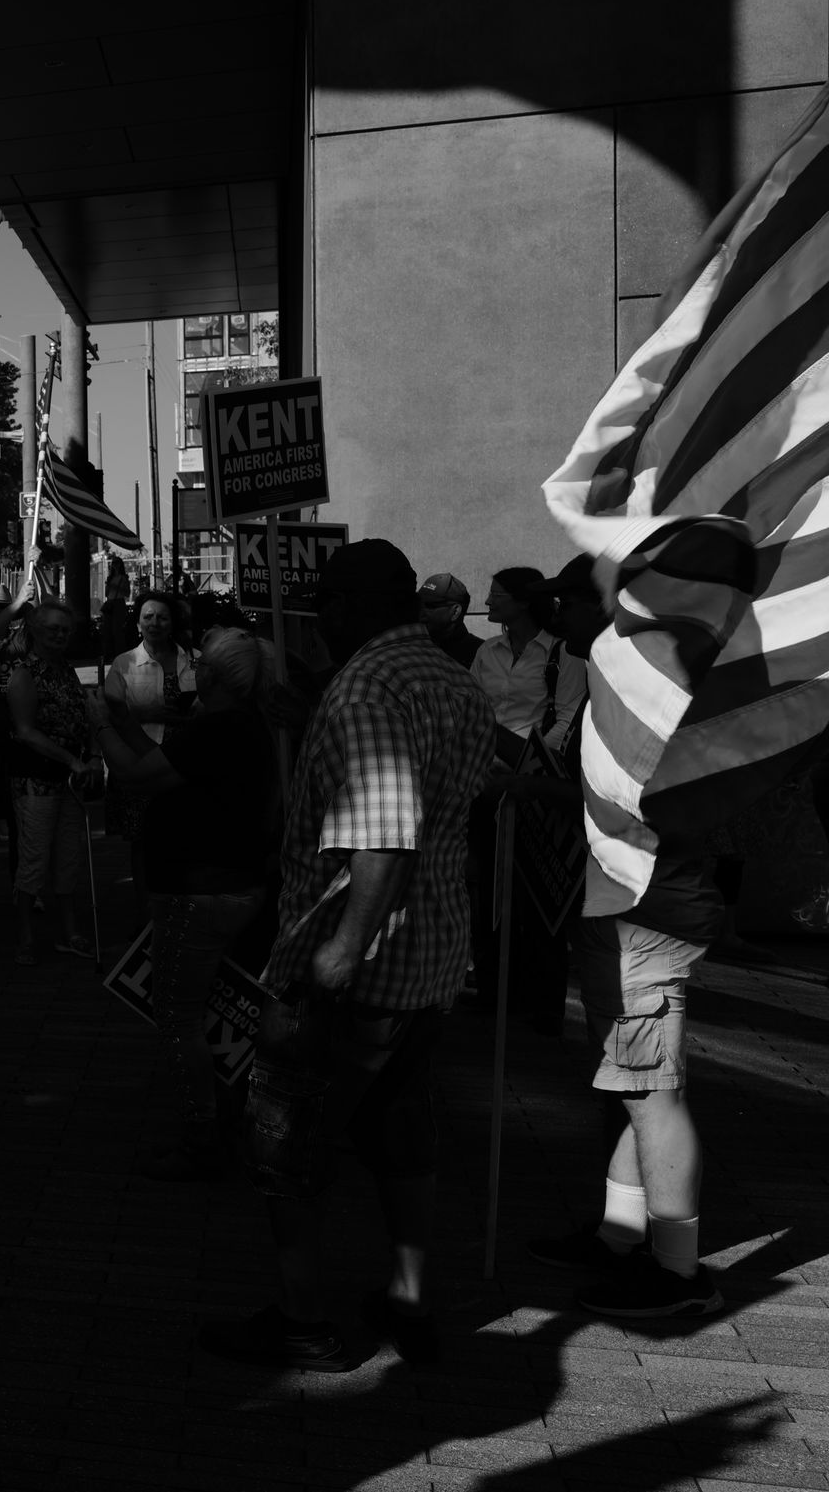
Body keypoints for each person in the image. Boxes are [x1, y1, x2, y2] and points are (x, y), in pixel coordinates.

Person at [199, 540, 493, 1373]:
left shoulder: (367, 686)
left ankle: (302, 1320)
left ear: (345, 608)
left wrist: (338, 952)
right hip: (428, 966)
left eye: (324, 603)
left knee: (288, 1145)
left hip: (357, 972)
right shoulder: (447, 679)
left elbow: (385, 837)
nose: (317, 618)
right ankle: (409, 1301)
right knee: (402, 1138)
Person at [520, 556, 727, 1318]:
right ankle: (620, 1236)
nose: (557, 614)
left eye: (570, 599)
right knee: (632, 1084)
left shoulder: (647, 681)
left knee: (650, 1090)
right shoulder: (626, 673)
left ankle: (676, 1270)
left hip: (648, 909)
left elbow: (650, 796)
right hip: (630, 906)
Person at [91, 629, 277, 1179]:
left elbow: (136, 776)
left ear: (214, 677)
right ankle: (233, 1120)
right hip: (231, 885)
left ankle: (203, 1134)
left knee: (179, 1017)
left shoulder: (219, 728)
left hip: (200, 892)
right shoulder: (239, 726)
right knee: (216, 1011)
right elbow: (170, 765)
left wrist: (98, 724)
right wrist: (124, 723)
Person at [0, 598, 99, 965]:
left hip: (70, 780)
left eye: (65, 630)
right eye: (53, 628)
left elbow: (84, 719)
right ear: (35, 630)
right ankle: (25, 935)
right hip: (35, 777)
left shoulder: (66, 670)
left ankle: (68, 932)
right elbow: (24, 731)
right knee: (34, 858)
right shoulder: (24, 673)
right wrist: (72, 759)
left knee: (69, 858)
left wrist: (90, 757)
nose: (60, 635)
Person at [103, 591, 201, 849]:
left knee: (184, 835)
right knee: (143, 840)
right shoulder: (123, 664)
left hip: (186, 759)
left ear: (173, 623)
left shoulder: (196, 660)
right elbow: (109, 715)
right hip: (141, 761)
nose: (154, 623)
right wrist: (142, 714)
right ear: (138, 623)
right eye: (148, 617)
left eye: (162, 618)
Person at [472, 566, 586, 759]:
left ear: (523, 602)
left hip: (530, 771)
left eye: (496, 595)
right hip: (480, 763)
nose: (487, 601)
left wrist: (529, 763)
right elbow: (470, 707)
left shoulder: (563, 652)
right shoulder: (487, 650)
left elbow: (568, 719)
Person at [418, 573, 482, 670]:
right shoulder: (414, 647)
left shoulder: (482, 654)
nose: (421, 611)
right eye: (418, 604)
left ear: (455, 612)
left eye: (430, 605)